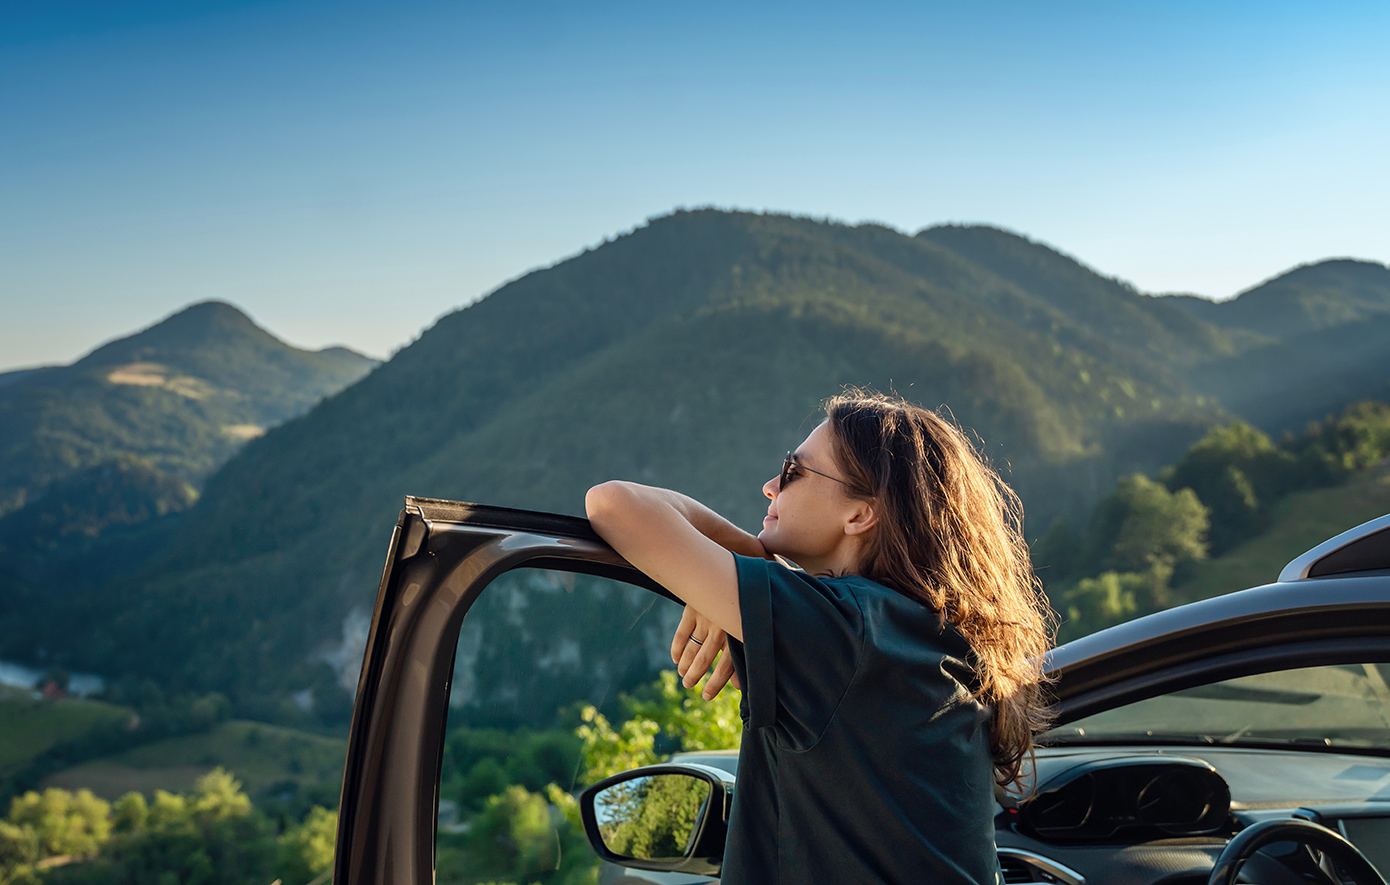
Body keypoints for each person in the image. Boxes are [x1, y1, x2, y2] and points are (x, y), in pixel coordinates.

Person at [585, 390, 1054, 884]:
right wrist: (746, 571)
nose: (770, 486)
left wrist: (748, 559)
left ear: (859, 514)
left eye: (793, 472)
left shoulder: (846, 631)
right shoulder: (922, 636)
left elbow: (614, 504)